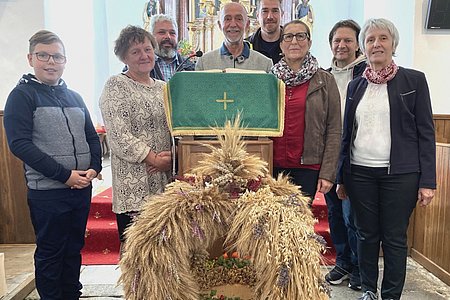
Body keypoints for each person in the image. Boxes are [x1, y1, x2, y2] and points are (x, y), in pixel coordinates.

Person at [336, 18, 436, 300]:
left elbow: (426, 133)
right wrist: (342, 177)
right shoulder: (356, 86)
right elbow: (347, 136)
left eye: (382, 38)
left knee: (393, 237)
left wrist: (428, 181)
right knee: (366, 235)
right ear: (363, 48)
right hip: (360, 173)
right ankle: (369, 289)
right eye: (370, 40)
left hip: (401, 175)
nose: (376, 44)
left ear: (393, 44)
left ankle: (391, 295)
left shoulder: (413, 80)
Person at [3, 30, 102, 299]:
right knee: (51, 251)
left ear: (65, 60)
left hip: (80, 188)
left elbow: (91, 136)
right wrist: (64, 175)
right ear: (31, 58)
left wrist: (95, 167)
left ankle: (72, 294)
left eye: (57, 56)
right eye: (43, 55)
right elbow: (20, 145)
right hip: (48, 192)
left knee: (74, 248)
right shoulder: (21, 96)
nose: (50, 62)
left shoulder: (75, 97)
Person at [99, 25, 172, 252]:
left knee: (166, 250)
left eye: (148, 49)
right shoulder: (116, 85)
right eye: (136, 51)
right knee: (137, 253)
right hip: (135, 184)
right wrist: (153, 159)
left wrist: (172, 156)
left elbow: (177, 129)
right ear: (124, 57)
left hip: (164, 181)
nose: (144, 55)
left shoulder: (164, 88)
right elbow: (119, 135)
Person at [270, 19, 341, 204]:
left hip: (308, 167)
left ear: (309, 42)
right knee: (271, 224)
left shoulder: (325, 80)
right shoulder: (269, 80)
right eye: (288, 37)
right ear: (281, 44)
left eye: (300, 36)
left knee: (300, 224)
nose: (294, 41)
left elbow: (334, 129)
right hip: (272, 165)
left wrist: (327, 172)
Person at [324, 19, 366, 290]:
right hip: (331, 153)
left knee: (354, 216)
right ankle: (342, 262)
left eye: (348, 40)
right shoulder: (325, 75)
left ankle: (361, 269)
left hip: (355, 156)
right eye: (337, 40)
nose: (342, 45)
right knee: (335, 213)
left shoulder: (365, 74)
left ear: (357, 44)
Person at [195, 2, 273, 72]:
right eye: (227, 19)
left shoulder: (265, 65)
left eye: (239, 19)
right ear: (219, 25)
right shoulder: (204, 63)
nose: (233, 24)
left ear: (247, 24)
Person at [149, 14, 195, 81]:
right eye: (162, 32)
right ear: (151, 36)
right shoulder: (142, 66)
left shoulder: (190, 67)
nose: (168, 36)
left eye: (172, 33)